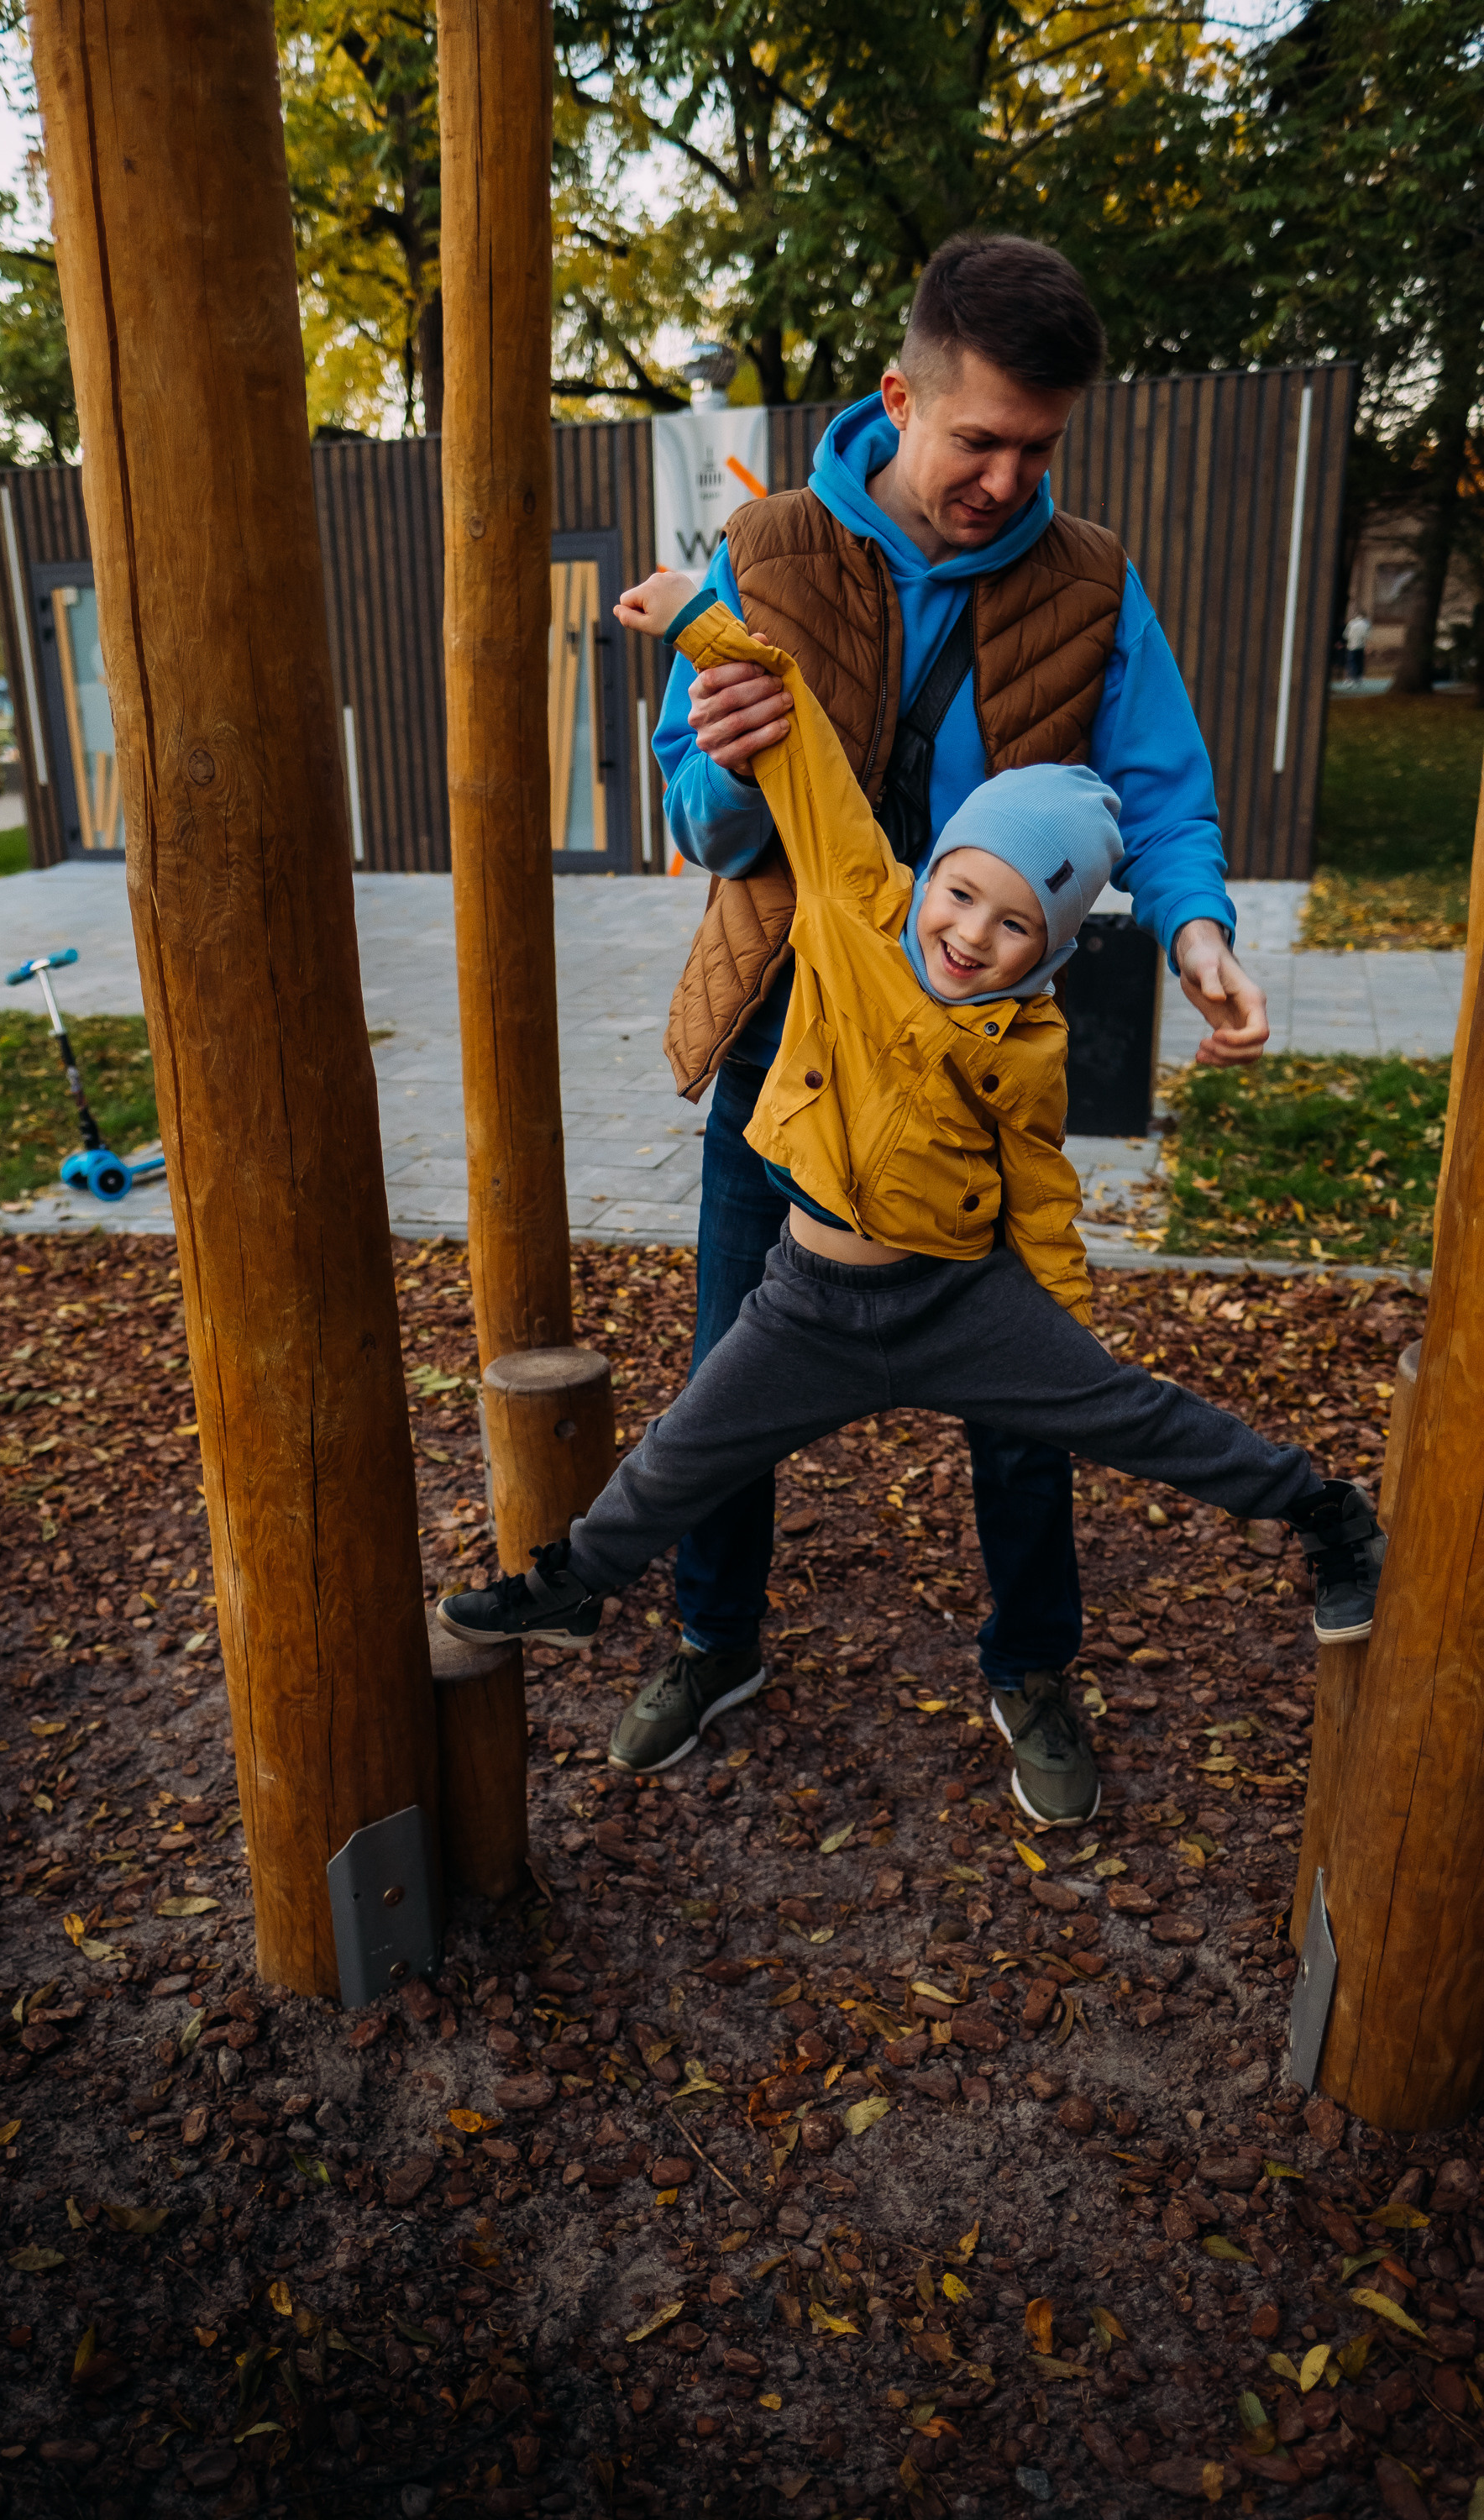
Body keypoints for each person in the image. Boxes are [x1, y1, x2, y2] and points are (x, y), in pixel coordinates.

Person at [440, 580, 1383, 1824]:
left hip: (959, 1300)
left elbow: (1036, 1179)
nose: (970, 934)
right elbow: (807, 747)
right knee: (683, 1454)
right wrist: (700, 626)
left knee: (1130, 1419)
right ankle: (570, 1585)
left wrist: (1058, 1317)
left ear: (1048, 950)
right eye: (961, 893)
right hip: (810, 1300)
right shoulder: (853, 907)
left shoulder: (1025, 1033)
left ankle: (1323, 1512)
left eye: (1015, 924)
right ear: (927, 873)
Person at [626, 230, 1270, 1807]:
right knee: (727, 1373)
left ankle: (1030, 1665)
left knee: (1023, 1383)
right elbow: (700, 822)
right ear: (903, 395)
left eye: (1036, 448)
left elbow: (1164, 792)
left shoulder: (1092, 582)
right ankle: (715, 1637)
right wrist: (723, 756)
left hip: (980, 1062)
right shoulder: (767, 545)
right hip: (789, 1032)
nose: (1003, 479)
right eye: (978, 439)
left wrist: (1196, 935)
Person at [1345, 612, 1371, 683]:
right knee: (1360, 661)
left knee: (1352, 661)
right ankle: (1359, 677)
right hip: (1361, 646)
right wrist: (1368, 646)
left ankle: (1351, 676)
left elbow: (1346, 635)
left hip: (1351, 646)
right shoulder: (1366, 623)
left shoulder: (1351, 623)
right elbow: (1367, 636)